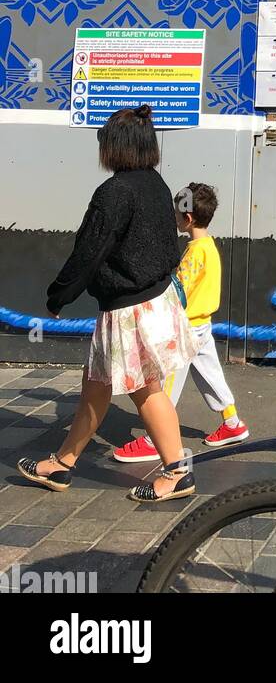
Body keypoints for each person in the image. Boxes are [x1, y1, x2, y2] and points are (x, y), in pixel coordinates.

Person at [17, 105, 197, 502]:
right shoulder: (156, 184)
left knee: (145, 390)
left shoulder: (114, 192)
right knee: (96, 387)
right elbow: (170, 245)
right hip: (153, 300)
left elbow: (89, 251)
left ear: (114, 147)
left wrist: (59, 294)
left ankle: (177, 471)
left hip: (129, 310)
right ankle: (62, 464)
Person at [112, 182, 248, 462]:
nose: (173, 218)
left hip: (185, 326)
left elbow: (178, 289)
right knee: (209, 372)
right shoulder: (207, 247)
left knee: (167, 378)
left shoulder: (194, 253)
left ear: (187, 219)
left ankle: (155, 438)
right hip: (202, 323)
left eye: (176, 214)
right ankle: (232, 423)